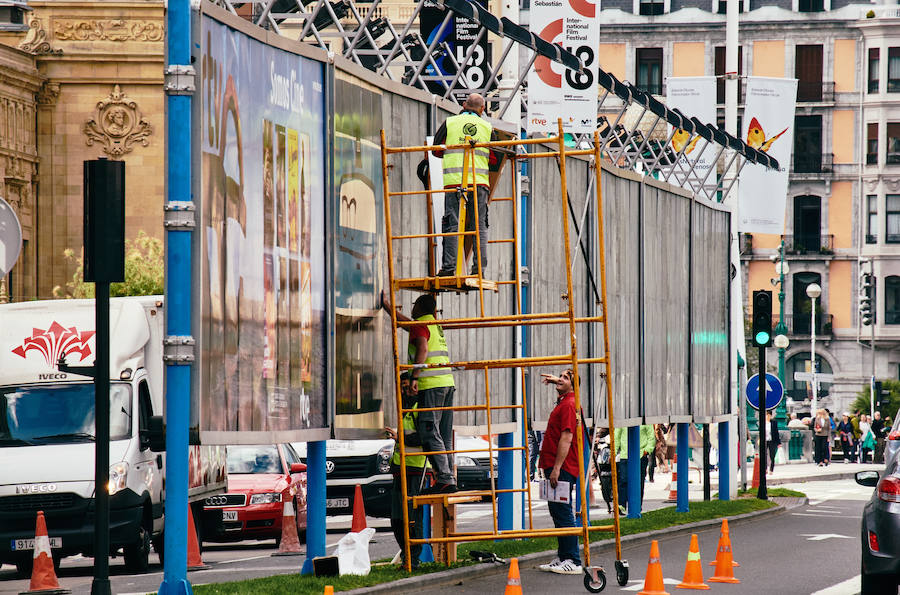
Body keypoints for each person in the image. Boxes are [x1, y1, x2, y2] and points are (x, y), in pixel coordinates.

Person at [383, 292, 457, 494]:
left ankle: (444, 478)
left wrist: (414, 376)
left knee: (429, 431)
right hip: (446, 384)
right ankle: (449, 478)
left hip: (431, 385)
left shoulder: (420, 326)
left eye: (414, 304)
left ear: (420, 307)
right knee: (443, 434)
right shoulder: (432, 324)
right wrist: (388, 307)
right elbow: (406, 324)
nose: (412, 307)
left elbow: (422, 349)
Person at [431, 93, 499, 277]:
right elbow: (494, 159)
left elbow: (436, 150)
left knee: (452, 224)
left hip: (454, 182)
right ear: (482, 109)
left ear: (463, 105)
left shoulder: (450, 123)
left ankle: (448, 269)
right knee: (479, 226)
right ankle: (479, 271)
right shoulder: (487, 127)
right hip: (479, 184)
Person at [537, 369, 583, 575]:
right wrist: (558, 380)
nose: (560, 379)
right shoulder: (565, 401)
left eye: (566, 377)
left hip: (562, 467)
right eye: (561, 376)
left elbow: (567, 438)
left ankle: (573, 559)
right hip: (555, 465)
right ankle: (564, 556)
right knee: (557, 511)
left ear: (573, 385)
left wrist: (556, 468)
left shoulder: (569, 404)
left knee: (563, 512)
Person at [385, 372, 431, 569]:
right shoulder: (402, 408)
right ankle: (407, 555)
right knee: (397, 519)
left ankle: (413, 559)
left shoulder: (420, 408)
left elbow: (425, 438)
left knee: (412, 517)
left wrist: (399, 437)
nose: (405, 391)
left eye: (407, 387)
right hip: (400, 469)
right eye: (402, 387)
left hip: (416, 469)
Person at [613, 424, 655, 514]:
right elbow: (616, 436)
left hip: (640, 456)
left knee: (639, 481)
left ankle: (637, 505)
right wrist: (613, 452)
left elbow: (651, 437)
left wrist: (647, 450)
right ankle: (621, 505)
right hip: (625, 456)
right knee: (623, 481)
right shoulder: (622, 421)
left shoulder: (645, 421)